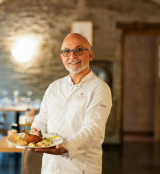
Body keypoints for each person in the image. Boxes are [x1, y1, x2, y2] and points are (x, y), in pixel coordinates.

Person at [29, 33, 112, 174]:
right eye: (66, 51)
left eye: (79, 50)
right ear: (62, 57)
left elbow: (93, 130)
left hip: (81, 168)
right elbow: (42, 118)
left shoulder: (100, 88)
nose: (72, 56)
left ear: (90, 55)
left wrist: (65, 147)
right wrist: (35, 131)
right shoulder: (54, 87)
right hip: (50, 166)